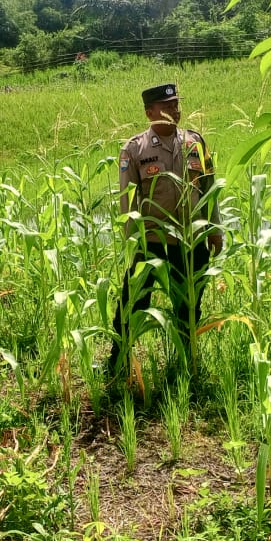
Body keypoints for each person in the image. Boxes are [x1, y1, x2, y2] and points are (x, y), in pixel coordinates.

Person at [108, 83, 223, 394]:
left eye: (176, 104)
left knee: (189, 308)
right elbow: (127, 203)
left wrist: (216, 230)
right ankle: (116, 365)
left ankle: (188, 367)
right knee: (131, 306)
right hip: (153, 245)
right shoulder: (134, 150)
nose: (175, 109)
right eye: (167, 105)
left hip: (192, 244)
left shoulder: (195, 142)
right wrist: (135, 244)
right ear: (149, 112)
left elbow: (210, 188)